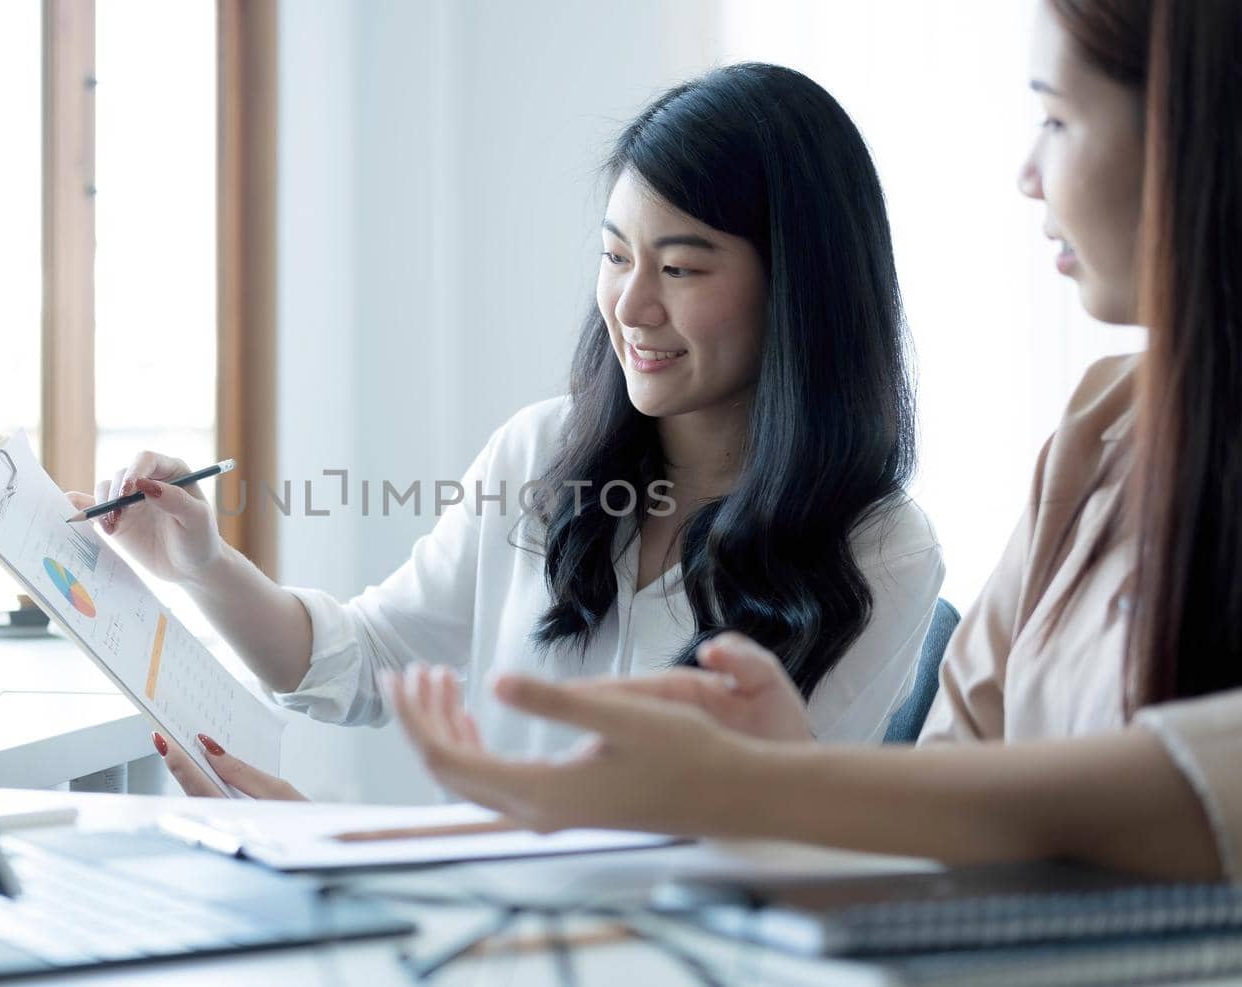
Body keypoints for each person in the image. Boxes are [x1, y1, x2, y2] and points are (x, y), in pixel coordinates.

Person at [389, 0, 1241, 882]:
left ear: (1199, 129)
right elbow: (939, 813)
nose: (1027, 173)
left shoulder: (888, 545)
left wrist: (769, 786)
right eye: (617, 256)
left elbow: (1191, 790)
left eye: (1057, 118)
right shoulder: (1094, 439)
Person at [71, 64, 944, 799]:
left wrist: (337, 842)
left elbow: (753, 847)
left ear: (798, 286)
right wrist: (204, 567)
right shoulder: (543, 454)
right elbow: (367, 657)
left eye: (679, 267)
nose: (631, 306)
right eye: (614, 256)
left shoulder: (882, 552)